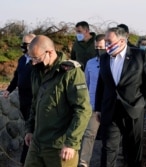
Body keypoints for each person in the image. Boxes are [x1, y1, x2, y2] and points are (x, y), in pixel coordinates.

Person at [95, 27, 146, 167]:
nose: (106, 44)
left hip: (133, 110)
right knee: (108, 149)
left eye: (109, 41)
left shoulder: (140, 56)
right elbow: (101, 84)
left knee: (133, 149)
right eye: (105, 41)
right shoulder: (104, 58)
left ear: (122, 41)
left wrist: (143, 103)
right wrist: (98, 108)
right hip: (110, 110)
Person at [24, 35, 92, 167]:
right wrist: (29, 129)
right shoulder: (37, 71)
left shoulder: (70, 73)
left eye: (36, 58)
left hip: (59, 146)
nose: (33, 62)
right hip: (37, 143)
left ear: (49, 52)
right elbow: (35, 102)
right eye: (31, 58)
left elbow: (83, 110)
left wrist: (71, 143)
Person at [3, 33, 36, 165]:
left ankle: (26, 159)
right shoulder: (22, 59)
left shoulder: (37, 62)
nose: (23, 46)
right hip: (23, 100)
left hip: (34, 101)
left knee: (31, 130)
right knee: (28, 130)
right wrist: (8, 90)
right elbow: (17, 76)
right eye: (23, 43)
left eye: (26, 44)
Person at [78, 34, 106, 167]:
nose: (99, 50)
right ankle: (84, 162)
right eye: (97, 47)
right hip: (93, 106)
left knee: (110, 138)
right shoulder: (90, 63)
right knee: (89, 135)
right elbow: (86, 85)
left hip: (109, 106)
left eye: (101, 47)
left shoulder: (113, 63)